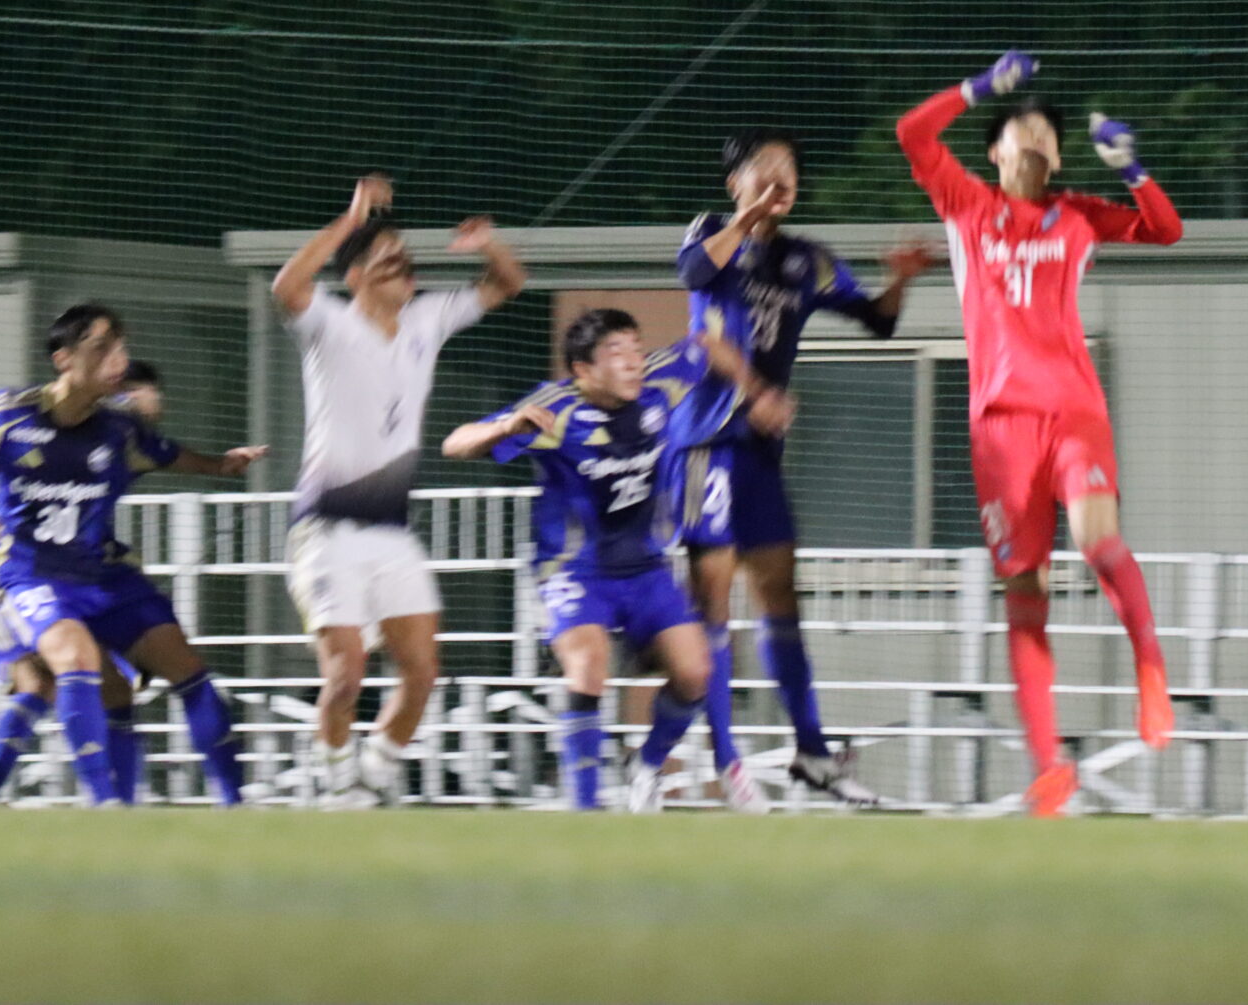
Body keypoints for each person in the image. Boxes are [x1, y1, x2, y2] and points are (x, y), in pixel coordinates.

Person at [895, 51, 1180, 817]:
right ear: (994, 151)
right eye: (1020, 125)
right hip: (1000, 428)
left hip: (1073, 411)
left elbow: (1165, 229)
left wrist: (1131, 168)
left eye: (1047, 131)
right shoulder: (965, 203)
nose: (1035, 134)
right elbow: (912, 133)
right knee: (1025, 590)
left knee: (1097, 537)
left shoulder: (1078, 214)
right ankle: (1048, 764)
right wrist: (978, 88)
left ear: (1058, 156)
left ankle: (1150, 666)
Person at [665, 130, 927, 810]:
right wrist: (746, 220)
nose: (781, 178)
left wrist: (900, 280)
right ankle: (723, 762)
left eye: (790, 170)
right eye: (766, 168)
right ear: (735, 183)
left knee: (779, 594)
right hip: (704, 442)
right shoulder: (712, 233)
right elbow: (693, 280)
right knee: (713, 601)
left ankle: (812, 752)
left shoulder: (807, 261)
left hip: (758, 452)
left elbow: (877, 321)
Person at [0, 306, 265, 806]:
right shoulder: (7, 414)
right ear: (64, 359)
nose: (118, 359)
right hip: (33, 577)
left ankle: (235, 806)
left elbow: (169, 454)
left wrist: (221, 465)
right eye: (102, 348)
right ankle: (100, 806)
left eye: (121, 347)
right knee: (68, 668)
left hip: (105, 576)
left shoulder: (120, 429)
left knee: (185, 668)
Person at [271, 175, 526, 808]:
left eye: (406, 256)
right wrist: (350, 218)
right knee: (345, 677)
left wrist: (488, 245)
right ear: (356, 276)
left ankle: (372, 777)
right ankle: (337, 788)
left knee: (422, 672)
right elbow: (286, 287)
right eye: (388, 258)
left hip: (391, 533)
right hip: (326, 530)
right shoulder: (330, 324)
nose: (404, 266)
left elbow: (508, 283)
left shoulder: (426, 320)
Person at [444, 310, 739, 811]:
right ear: (583, 370)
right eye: (616, 352)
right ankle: (585, 812)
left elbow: (708, 343)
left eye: (636, 348)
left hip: (646, 569)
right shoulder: (554, 409)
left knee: (695, 674)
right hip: (575, 572)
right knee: (587, 668)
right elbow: (455, 444)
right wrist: (505, 428)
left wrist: (758, 391)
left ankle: (645, 765)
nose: (633, 361)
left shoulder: (661, 379)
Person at [0, 361, 163, 803]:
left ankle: (123, 803)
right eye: (134, 396)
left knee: (114, 687)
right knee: (37, 684)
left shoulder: (112, 451)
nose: (150, 405)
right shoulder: (53, 441)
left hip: (50, 587)